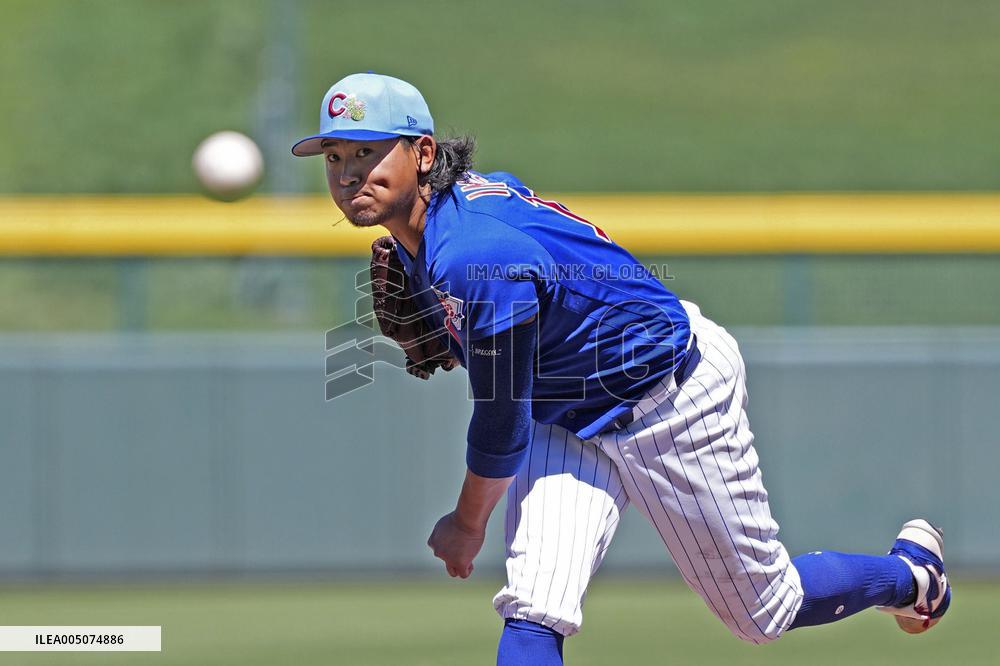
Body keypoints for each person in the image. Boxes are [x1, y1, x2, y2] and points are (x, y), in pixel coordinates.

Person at [292, 72, 950, 664]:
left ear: (423, 153)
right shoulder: (452, 216)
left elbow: (500, 426)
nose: (348, 174)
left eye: (369, 152)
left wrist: (467, 524)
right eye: (336, 157)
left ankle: (913, 575)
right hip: (566, 413)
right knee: (533, 608)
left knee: (765, 612)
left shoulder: (470, 254)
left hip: (670, 398)